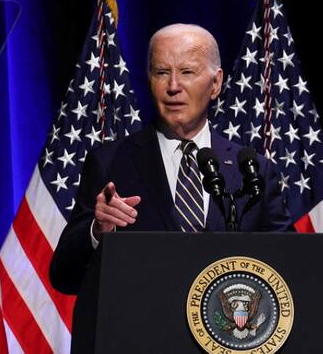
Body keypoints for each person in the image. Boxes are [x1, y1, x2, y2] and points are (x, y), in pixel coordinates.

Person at [49, 23, 291, 350]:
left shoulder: (254, 171)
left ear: (216, 83)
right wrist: (97, 231)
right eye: (162, 72)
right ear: (149, 79)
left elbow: (290, 268)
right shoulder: (111, 163)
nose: (173, 86)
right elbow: (64, 276)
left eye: (187, 72)